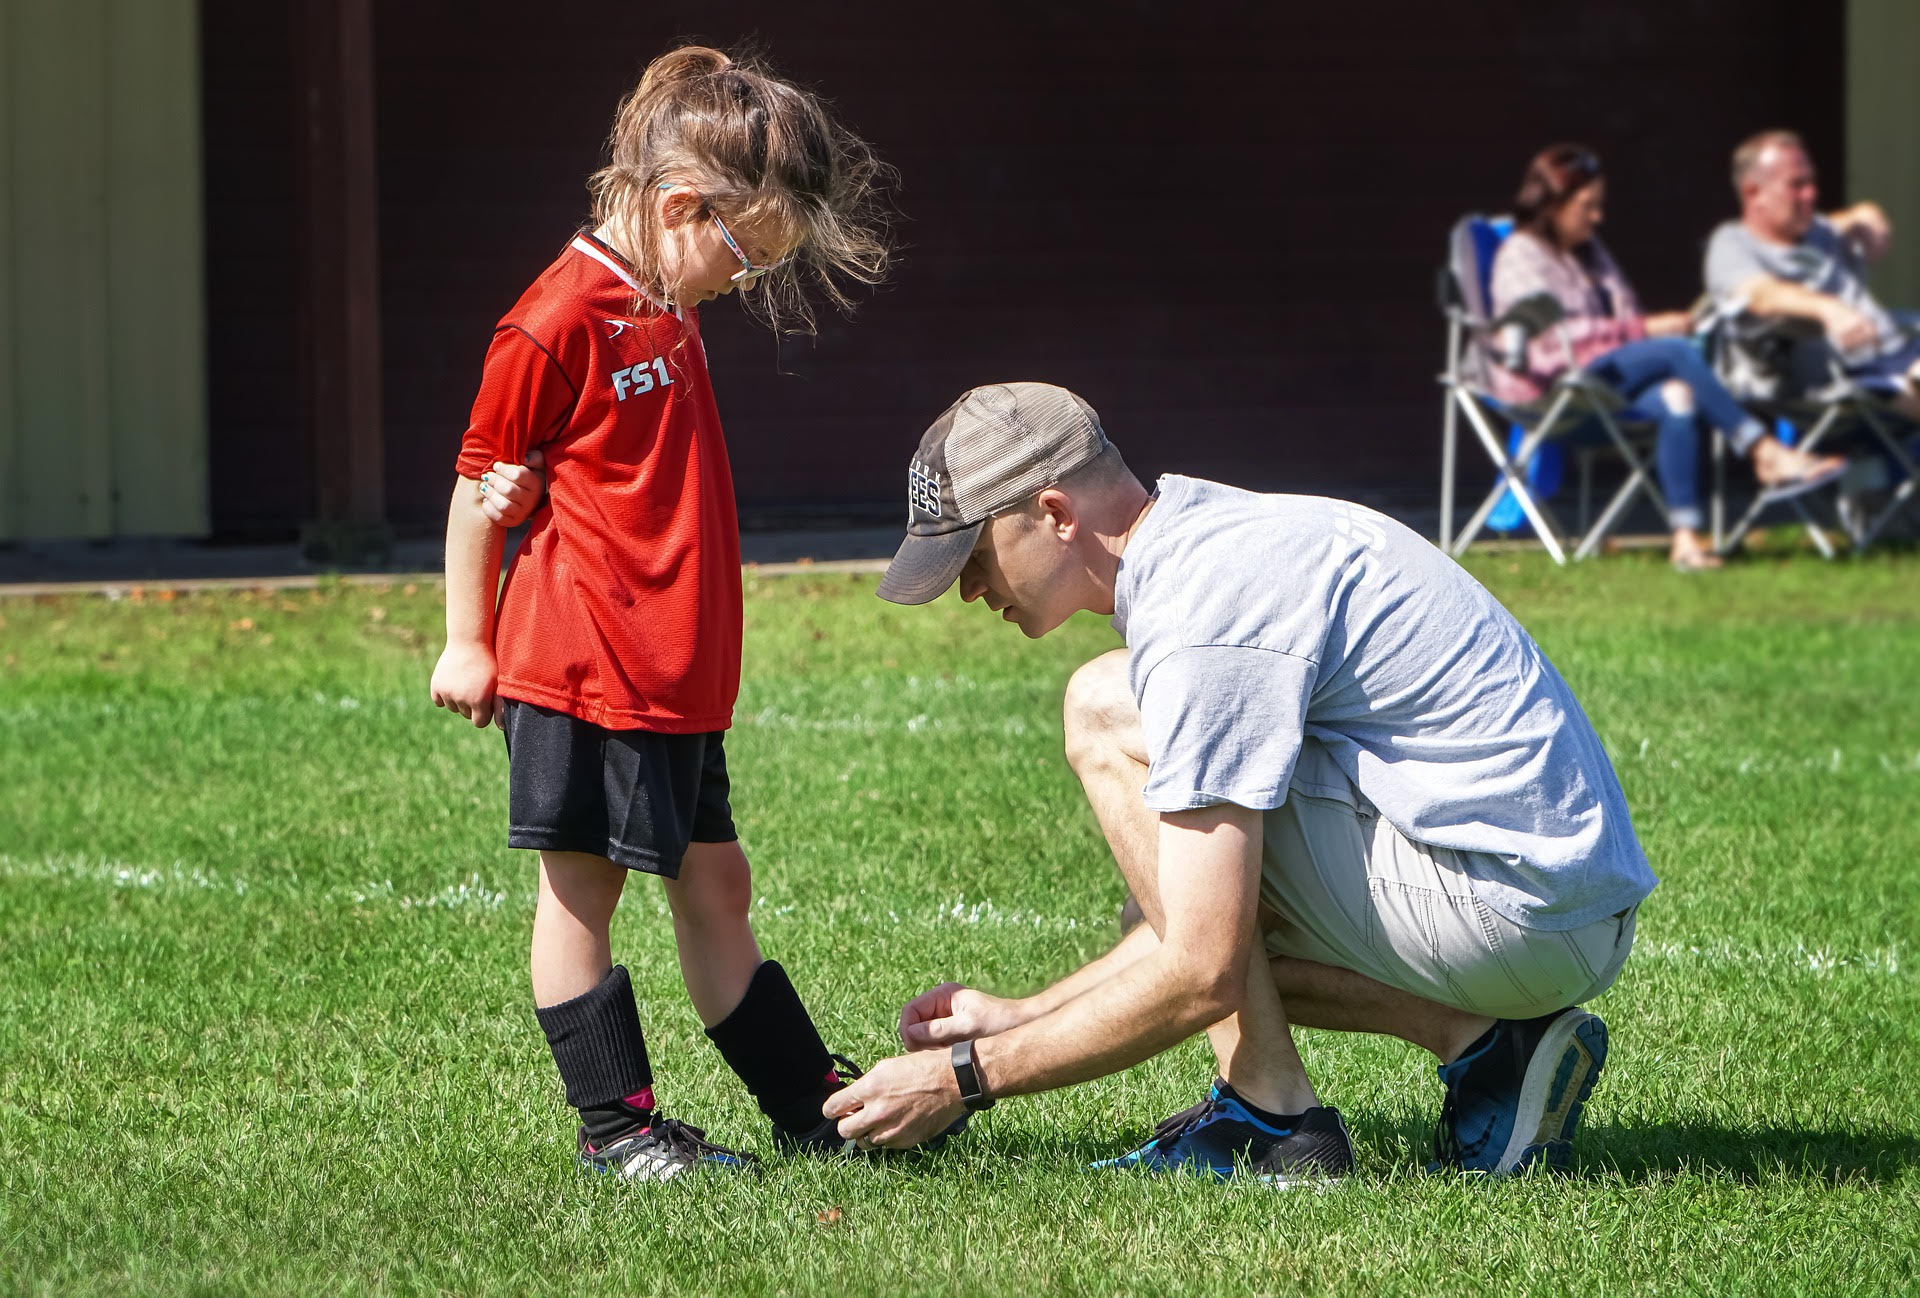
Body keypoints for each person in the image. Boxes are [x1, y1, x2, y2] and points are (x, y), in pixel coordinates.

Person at [825, 382, 1656, 1182]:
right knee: (1171, 882)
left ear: (1053, 513)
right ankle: (1486, 1045)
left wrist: (964, 1077)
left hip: (1518, 909)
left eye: (972, 555)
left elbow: (1202, 968)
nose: (970, 589)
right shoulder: (1207, 536)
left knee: (1106, 718)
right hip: (1549, 899)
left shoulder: (1200, 615)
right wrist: (1024, 1016)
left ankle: (1272, 1120)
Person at [429, 45, 894, 1181]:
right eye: (743, 256)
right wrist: (467, 639)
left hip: (674, 670)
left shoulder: (665, 297)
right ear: (679, 206)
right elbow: (478, 482)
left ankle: (810, 1104)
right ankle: (620, 1128)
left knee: (716, 883)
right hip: (587, 662)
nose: (740, 283)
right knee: (582, 889)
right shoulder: (553, 318)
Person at [1489, 144, 1842, 570]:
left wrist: (1648, 330)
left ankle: (1686, 540)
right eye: (1587, 207)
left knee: (1679, 395)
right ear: (1552, 202)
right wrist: (1645, 332)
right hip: (1551, 392)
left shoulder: (1590, 253)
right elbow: (1547, 346)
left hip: (1604, 388)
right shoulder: (1520, 256)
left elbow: (1626, 310)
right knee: (1674, 351)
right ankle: (1763, 451)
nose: (1597, 217)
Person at [1705, 129, 1920, 419]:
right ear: (1753, 192)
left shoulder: (1815, 230)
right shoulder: (1731, 244)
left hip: (1900, 355)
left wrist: (1868, 214)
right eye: (1797, 185)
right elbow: (1759, 295)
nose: (1812, 193)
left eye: (1811, 182)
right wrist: (1828, 309)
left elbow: (1853, 218)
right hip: (1848, 378)